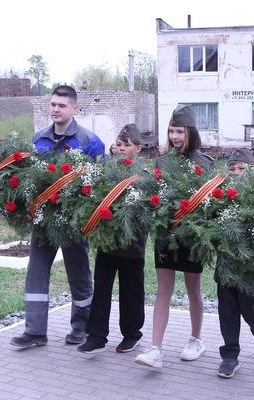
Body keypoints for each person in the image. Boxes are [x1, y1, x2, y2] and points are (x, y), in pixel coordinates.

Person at [10, 85, 106, 349]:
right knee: (36, 272)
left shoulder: (89, 142)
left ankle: (81, 327)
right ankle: (35, 332)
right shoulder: (38, 139)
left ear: (74, 109)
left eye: (61, 105)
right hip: (43, 222)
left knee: (79, 274)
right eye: (52, 104)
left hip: (73, 222)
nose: (55, 109)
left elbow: (99, 184)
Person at [134, 105, 214, 368]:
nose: (175, 136)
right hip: (166, 235)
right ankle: (155, 348)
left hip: (191, 237)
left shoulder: (205, 164)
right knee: (163, 291)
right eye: (171, 131)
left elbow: (209, 203)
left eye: (180, 131)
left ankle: (196, 339)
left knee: (193, 291)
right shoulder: (162, 161)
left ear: (190, 132)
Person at [78, 124, 146, 354]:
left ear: (138, 148)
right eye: (119, 144)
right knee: (102, 288)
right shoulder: (105, 173)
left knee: (131, 290)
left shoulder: (144, 177)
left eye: (127, 145)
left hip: (132, 245)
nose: (122, 149)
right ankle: (96, 336)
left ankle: (132, 334)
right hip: (106, 243)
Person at [215, 148, 254, 379]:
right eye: (233, 169)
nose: (237, 173)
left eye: (242, 169)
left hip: (249, 260)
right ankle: (230, 355)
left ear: (252, 170)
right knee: (226, 306)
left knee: (246, 304)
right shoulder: (220, 192)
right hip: (225, 258)